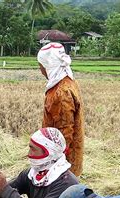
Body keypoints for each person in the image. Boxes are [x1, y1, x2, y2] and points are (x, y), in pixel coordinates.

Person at [37, 42, 84, 177]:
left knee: (62, 191)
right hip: (57, 153)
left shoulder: (62, 92)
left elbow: (65, 131)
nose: (40, 70)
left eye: (41, 66)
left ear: (49, 66)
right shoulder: (66, 82)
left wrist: (56, 161)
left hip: (62, 159)